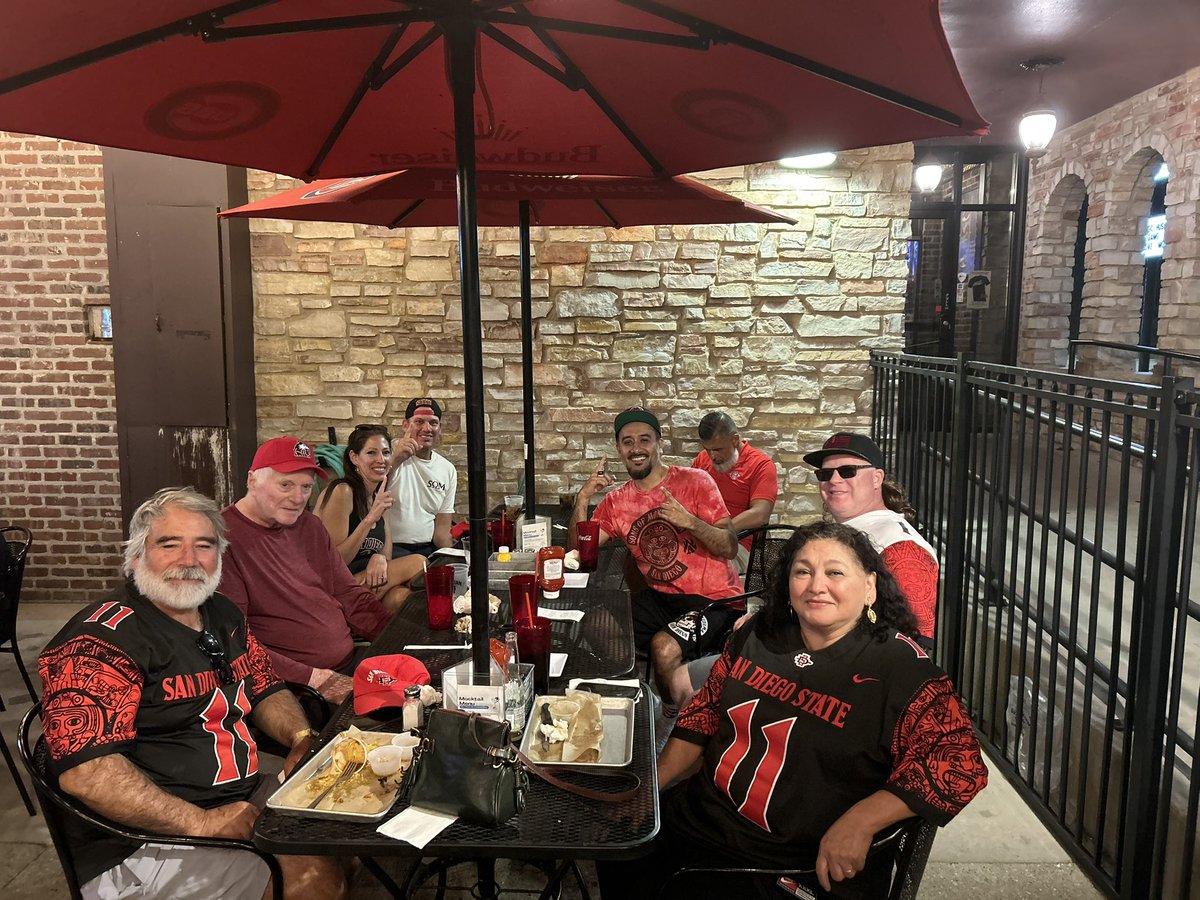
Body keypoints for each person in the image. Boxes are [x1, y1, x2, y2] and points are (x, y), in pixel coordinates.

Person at [598, 522, 987, 900]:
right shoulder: (758, 634)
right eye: (803, 571)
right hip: (702, 821)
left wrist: (862, 821)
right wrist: (651, 788)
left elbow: (962, 766)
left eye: (835, 572)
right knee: (612, 850)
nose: (817, 586)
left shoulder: (902, 670)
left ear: (869, 587)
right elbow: (702, 716)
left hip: (790, 860)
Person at [38, 487, 345, 900]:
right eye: (169, 544)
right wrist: (199, 823)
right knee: (314, 876)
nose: (188, 561)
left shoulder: (221, 612)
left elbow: (265, 686)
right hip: (142, 841)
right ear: (135, 556)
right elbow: (86, 772)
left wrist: (300, 737)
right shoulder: (98, 641)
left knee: (348, 831)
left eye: (204, 545)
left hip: (241, 798)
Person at [570, 406, 741, 701]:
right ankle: (634, 689)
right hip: (660, 599)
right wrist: (583, 497)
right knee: (594, 622)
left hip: (715, 601)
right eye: (628, 442)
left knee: (664, 648)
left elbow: (729, 546)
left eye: (645, 439)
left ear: (659, 445)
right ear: (619, 449)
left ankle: (671, 720)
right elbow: (578, 549)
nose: (636, 448)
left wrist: (691, 522)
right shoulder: (616, 501)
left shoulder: (696, 481)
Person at [220, 436, 390, 703]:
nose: (298, 498)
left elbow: (349, 594)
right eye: (286, 484)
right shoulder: (221, 539)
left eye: (306, 487)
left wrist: (397, 636)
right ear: (252, 481)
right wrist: (315, 679)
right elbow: (235, 641)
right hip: (293, 687)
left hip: (347, 666)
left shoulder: (309, 525)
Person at [804, 432, 939, 647]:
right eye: (825, 474)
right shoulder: (839, 533)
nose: (834, 480)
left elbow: (910, 643)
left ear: (877, 478)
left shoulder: (900, 547)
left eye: (848, 471)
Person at [314, 424, 424, 612]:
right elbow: (334, 563)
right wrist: (369, 520)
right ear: (354, 458)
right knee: (419, 562)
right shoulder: (343, 492)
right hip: (337, 587)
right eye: (371, 453)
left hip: (369, 583)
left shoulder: (379, 496)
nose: (381, 460)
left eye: (386, 452)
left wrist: (379, 558)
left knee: (401, 598)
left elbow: (386, 556)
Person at [691, 411, 778, 572]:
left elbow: (760, 514)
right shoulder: (702, 459)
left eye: (718, 449)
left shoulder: (761, 465)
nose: (712, 456)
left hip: (737, 544)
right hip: (699, 541)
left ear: (735, 439)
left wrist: (716, 532)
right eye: (708, 449)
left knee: (700, 570)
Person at [385, 397, 457, 558]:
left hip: (428, 549)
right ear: (405, 426)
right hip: (389, 548)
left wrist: (456, 556)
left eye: (433, 423)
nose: (427, 428)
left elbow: (442, 530)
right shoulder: (386, 455)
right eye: (419, 422)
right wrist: (395, 459)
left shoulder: (447, 469)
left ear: (440, 427)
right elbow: (368, 493)